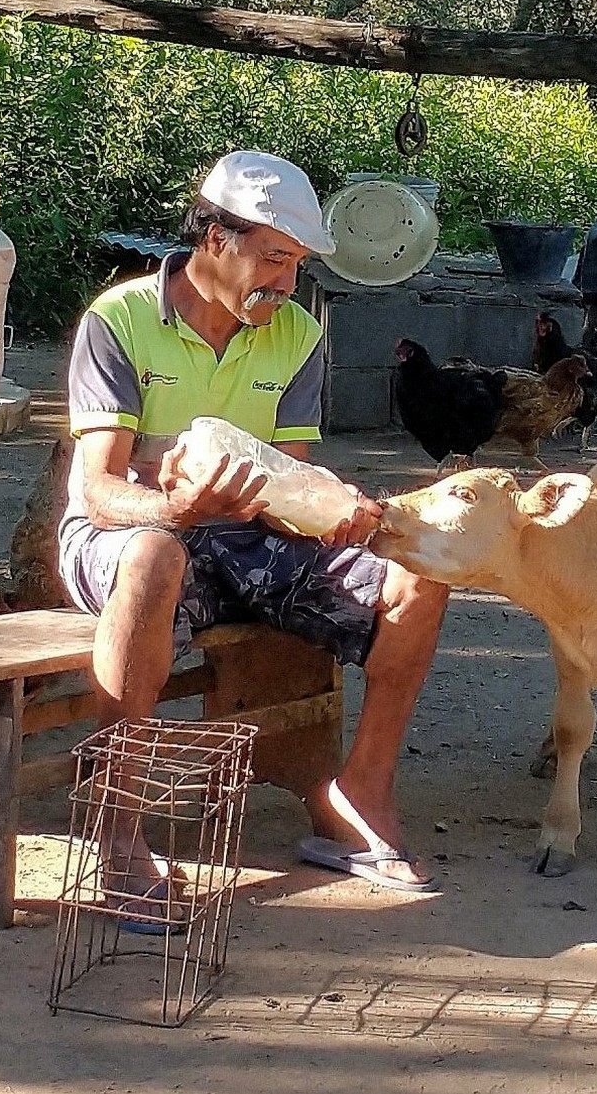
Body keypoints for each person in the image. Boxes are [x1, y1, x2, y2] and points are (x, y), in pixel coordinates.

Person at [58, 150, 449, 927]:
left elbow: (287, 483)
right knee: (156, 555)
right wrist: (174, 509)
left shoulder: (298, 334)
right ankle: (117, 830)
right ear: (214, 238)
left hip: (245, 536)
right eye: (273, 258)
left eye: (298, 264)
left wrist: (339, 512)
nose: (286, 282)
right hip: (123, 535)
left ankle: (361, 792)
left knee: (416, 570)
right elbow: (97, 491)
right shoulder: (120, 320)